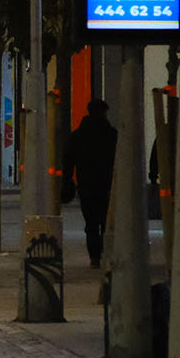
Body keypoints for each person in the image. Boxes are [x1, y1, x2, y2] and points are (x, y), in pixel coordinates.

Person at [64, 99, 118, 268]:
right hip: (107, 185)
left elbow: (68, 161)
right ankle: (107, 253)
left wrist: (67, 180)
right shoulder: (111, 135)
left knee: (91, 222)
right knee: (107, 220)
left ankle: (94, 256)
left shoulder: (77, 136)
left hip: (86, 184)